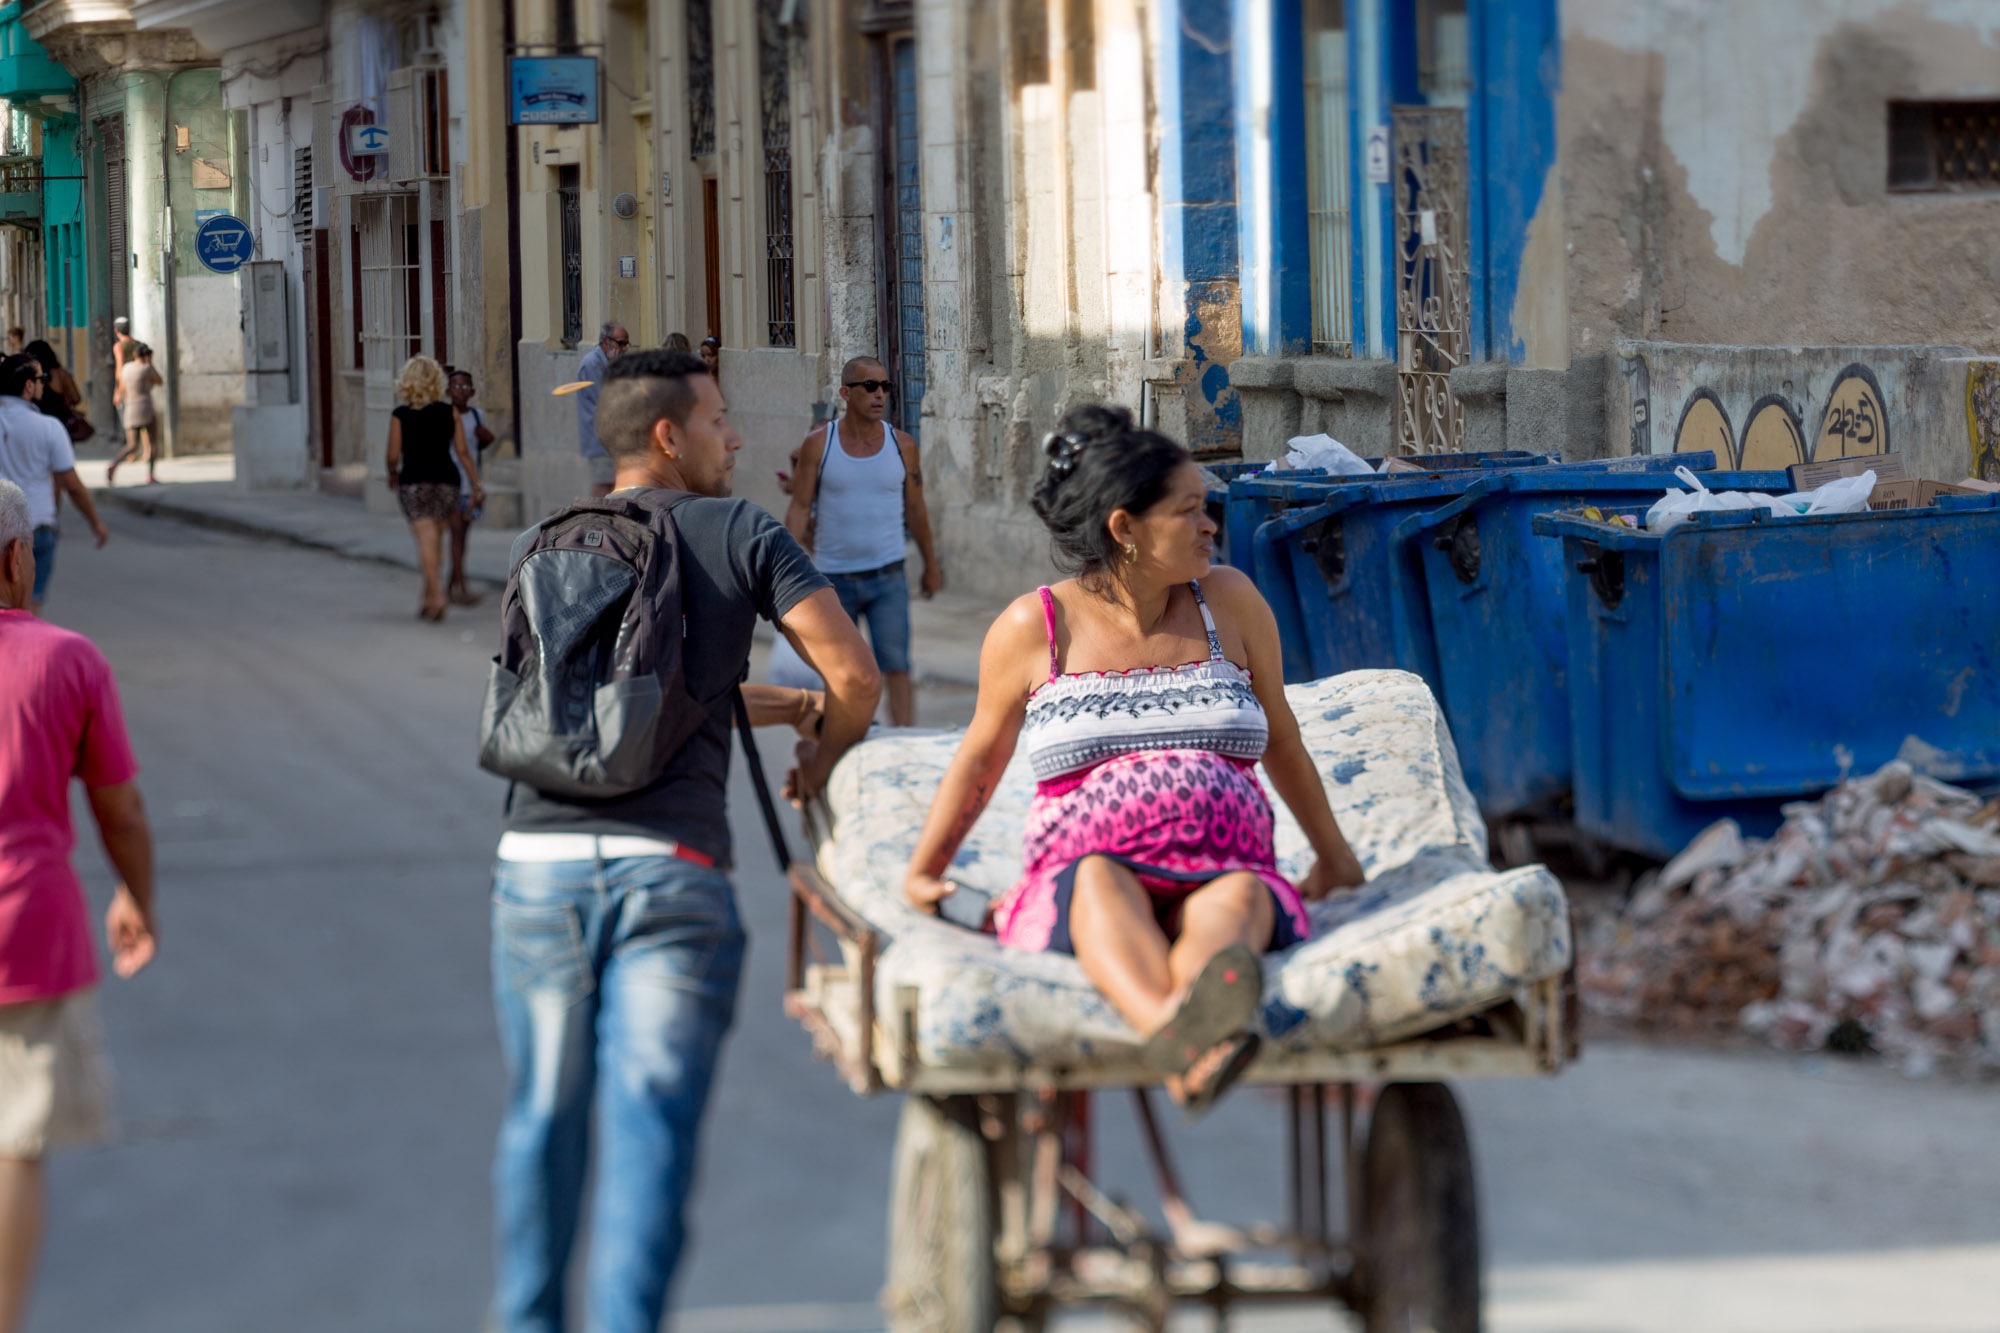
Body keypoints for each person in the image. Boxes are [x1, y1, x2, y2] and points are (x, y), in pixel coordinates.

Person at [488, 348, 881, 1332]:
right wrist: (822, 755)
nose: (736, 437)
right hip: (670, 871)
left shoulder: (549, 539)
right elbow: (860, 681)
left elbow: (622, 699)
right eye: (718, 419)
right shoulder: (739, 530)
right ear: (670, 434)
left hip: (535, 869)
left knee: (541, 1120)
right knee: (646, 1129)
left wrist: (786, 707)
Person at [901, 405, 1366, 1113]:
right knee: (1095, 882)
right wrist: (926, 869)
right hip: (1094, 870)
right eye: (1189, 512)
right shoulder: (1035, 627)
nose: (1211, 524)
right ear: (1124, 527)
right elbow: (981, 759)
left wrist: (1333, 857)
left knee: (1240, 896)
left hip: (1224, 863)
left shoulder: (1232, 603)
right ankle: (1178, 1042)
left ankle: (1187, 1024)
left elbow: (1282, 740)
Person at [0, 477, 157, 1333]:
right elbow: (121, 809)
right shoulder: (66, 658)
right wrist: (137, 897)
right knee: (14, 1143)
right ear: (18, 560)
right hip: (27, 931)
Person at [784, 356, 942, 727]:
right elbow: (799, 508)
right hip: (832, 581)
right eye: (870, 386)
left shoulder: (902, 446)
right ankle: (845, 744)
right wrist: (786, 574)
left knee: (897, 667)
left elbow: (917, 511)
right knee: (841, 674)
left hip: (888, 577)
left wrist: (931, 565)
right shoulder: (818, 446)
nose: (880, 395)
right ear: (845, 393)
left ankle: (905, 743)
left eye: (885, 387)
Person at [0, 354, 107, 611]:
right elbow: (72, 484)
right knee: (29, 605)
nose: (43, 384)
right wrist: (95, 523)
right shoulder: (49, 428)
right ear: (28, 386)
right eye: (41, 379)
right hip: (36, 526)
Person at [385, 356, 481, 622]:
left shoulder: (400, 415)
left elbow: (393, 456)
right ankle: (427, 597)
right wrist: (475, 484)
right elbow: (462, 451)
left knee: (425, 539)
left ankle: (437, 596)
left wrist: (392, 472)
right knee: (435, 539)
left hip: (415, 483)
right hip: (447, 482)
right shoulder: (449, 412)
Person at [444, 368, 495, 608]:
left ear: (472, 391)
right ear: (447, 390)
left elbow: (480, 447)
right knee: (455, 535)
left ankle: (448, 585)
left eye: (465, 387)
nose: (460, 391)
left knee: (463, 536)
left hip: (470, 484)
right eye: (455, 386)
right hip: (452, 483)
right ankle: (461, 588)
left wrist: (485, 436)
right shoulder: (444, 416)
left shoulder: (476, 416)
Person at [576, 321, 629, 498]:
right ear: (606, 341)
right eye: (621, 343)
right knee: (603, 485)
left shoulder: (610, 363)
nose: (624, 348)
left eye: (626, 344)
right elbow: (607, 401)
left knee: (615, 486)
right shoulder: (592, 364)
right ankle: (596, 522)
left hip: (613, 439)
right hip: (600, 439)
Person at [106, 344, 161, 487]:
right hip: (146, 407)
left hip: (131, 408)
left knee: (131, 445)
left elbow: (123, 390)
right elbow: (160, 381)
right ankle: (150, 474)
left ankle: (114, 463)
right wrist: (151, 365)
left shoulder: (126, 368)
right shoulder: (147, 368)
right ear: (146, 356)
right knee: (153, 443)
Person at [24, 342, 85, 443]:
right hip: (61, 427)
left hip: (35, 428)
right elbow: (76, 398)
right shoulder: (61, 374)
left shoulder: (28, 378)